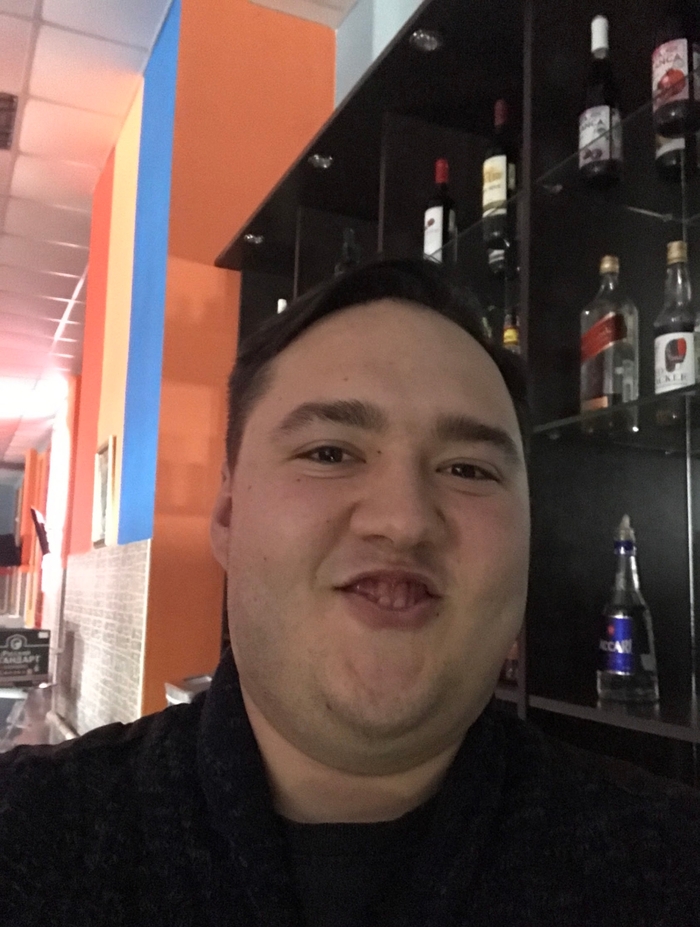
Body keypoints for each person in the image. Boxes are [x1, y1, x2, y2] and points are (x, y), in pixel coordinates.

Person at [0, 258, 699, 927]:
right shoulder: (32, 835)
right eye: (329, 453)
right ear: (229, 514)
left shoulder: (665, 865)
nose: (403, 520)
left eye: (468, 469)